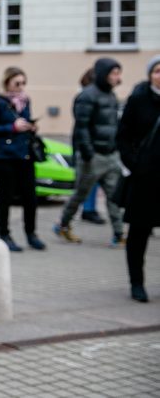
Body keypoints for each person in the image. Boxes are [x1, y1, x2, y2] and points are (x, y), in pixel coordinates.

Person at [55, 58, 125, 245]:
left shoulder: (111, 96)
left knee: (114, 196)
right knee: (80, 194)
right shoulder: (87, 96)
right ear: (103, 74)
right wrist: (88, 153)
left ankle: (119, 234)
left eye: (118, 73)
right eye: (114, 73)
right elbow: (82, 127)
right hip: (92, 157)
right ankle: (63, 224)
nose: (117, 77)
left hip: (110, 155)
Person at [0, 67, 45, 252]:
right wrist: (12, 127)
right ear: (7, 81)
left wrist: (30, 127)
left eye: (23, 83)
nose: (21, 87)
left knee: (30, 198)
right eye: (17, 83)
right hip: (4, 157)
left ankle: (31, 234)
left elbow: (24, 122)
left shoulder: (25, 100)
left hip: (24, 155)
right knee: (5, 198)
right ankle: (4, 234)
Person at [116, 55, 160, 303]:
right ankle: (137, 282)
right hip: (144, 179)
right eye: (157, 71)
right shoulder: (138, 99)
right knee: (139, 233)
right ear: (150, 74)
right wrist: (135, 164)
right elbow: (122, 137)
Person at [77, 67, 106, 224]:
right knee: (88, 182)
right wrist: (87, 149)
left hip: (100, 146)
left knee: (95, 181)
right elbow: (83, 126)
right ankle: (86, 210)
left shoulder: (102, 96)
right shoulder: (86, 97)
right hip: (90, 147)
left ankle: (89, 209)